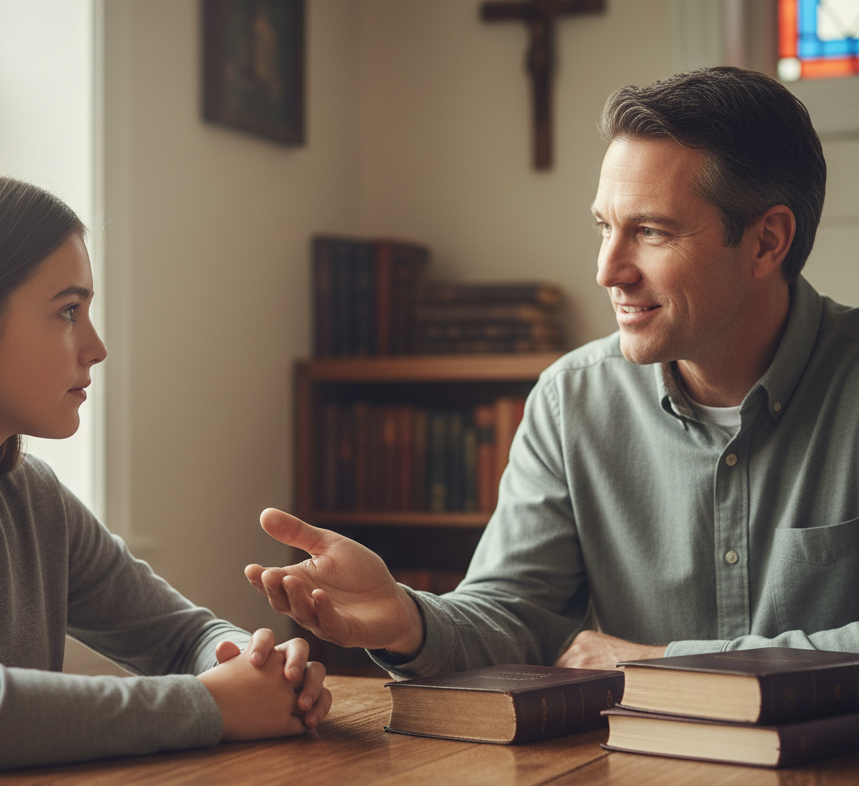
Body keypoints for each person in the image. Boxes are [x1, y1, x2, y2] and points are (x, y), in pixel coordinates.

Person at [245, 65, 859, 677]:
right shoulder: (572, 399)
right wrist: (407, 618)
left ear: (767, 242)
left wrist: (661, 662)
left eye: (649, 231)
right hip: (641, 772)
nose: (608, 270)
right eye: (605, 228)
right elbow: (514, 613)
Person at [0, 166, 331, 786]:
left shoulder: (28, 497)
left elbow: (182, 636)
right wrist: (212, 706)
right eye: (68, 311)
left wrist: (258, 667)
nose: (96, 347)